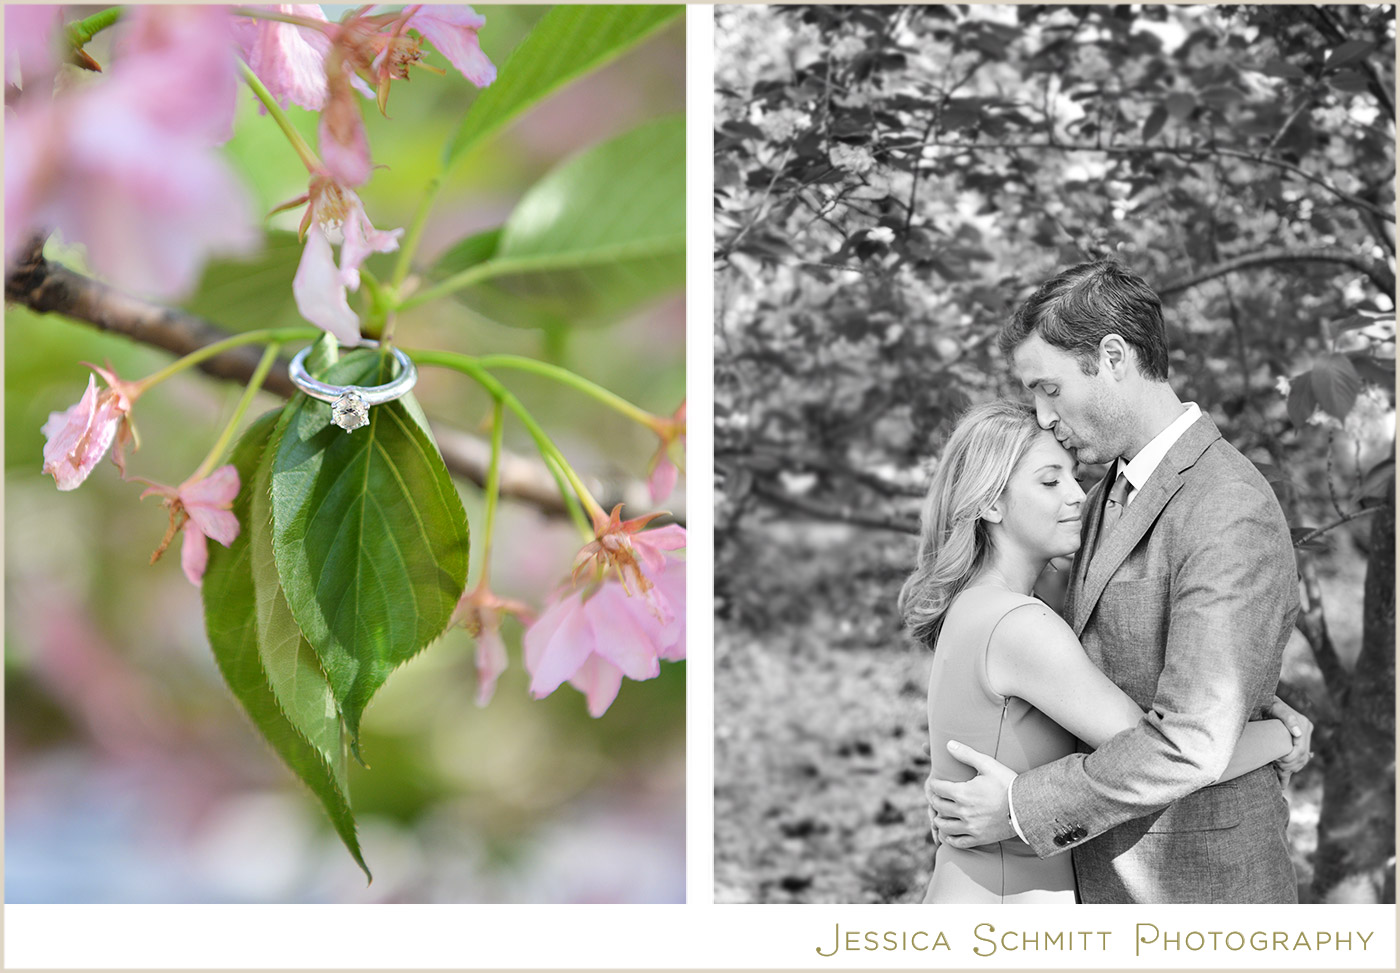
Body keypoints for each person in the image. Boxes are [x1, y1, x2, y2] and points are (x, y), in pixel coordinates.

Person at [924, 259, 1312, 904]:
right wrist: (1266, 723)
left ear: (1112, 357)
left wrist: (1023, 806)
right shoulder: (1105, 493)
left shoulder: (1225, 504)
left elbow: (1193, 741)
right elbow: (1123, 671)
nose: (1044, 417)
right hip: (1089, 885)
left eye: (1049, 388)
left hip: (1196, 891)